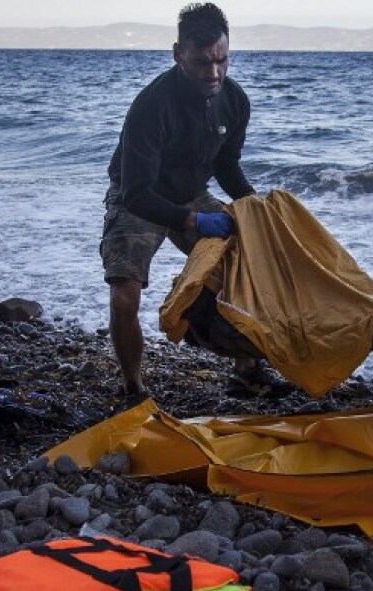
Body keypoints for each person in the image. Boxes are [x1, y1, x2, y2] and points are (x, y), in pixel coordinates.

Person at [100, 2, 259, 407]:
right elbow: (136, 192)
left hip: (192, 194)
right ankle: (133, 388)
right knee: (123, 293)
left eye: (222, 60)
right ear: (178, 54)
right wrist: (193, 221)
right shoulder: (152, 105)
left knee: (249, 263)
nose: (214, 72)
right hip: (139, 197)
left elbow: (227, 165)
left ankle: (246, 369)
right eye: (202, 62)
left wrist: (253, 205)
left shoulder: (234, 100)